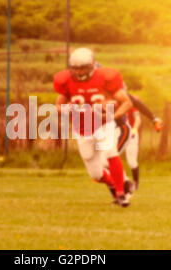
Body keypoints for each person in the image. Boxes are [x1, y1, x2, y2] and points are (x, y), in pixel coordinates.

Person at [53, 48, 133, 207]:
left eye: (82, 68)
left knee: (110, 152)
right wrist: (68, 111)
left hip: (103, 125)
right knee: (96, 174)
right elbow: (58, 105)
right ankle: (117, 184)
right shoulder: (67, 81)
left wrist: (113, 116)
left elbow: (127, 103)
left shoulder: (104, 78)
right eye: (75, 68)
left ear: (91, 66)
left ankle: (121, 193)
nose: (78, 72)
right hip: (82, 129)